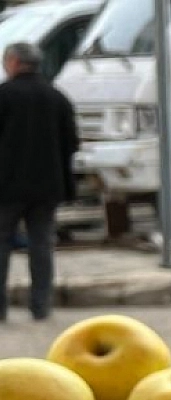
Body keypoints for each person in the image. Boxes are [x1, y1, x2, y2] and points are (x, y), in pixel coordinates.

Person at [0, 42, 77, 322]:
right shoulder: (57, 97)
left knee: (1, 244)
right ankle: (41, 306)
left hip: (6, 188)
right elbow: (72, 142)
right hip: (47, 188)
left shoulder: (4, 96)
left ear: (13, 62)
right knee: (42, 245)